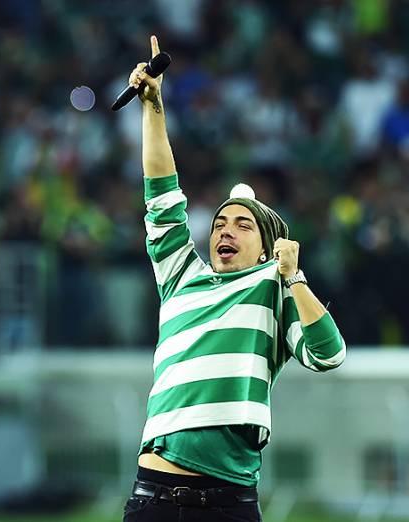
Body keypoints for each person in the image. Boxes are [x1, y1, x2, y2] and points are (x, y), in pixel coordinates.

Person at [122, 36, 347, 522]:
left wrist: (295, 279)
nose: (226, 230)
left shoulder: (274, 289)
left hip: (231, 502)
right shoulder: (181, 274)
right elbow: (161, 188)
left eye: (243, 225)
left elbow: (329, 355)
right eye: (220, 224)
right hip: (154, 497)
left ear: (266, 247)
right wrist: (154, 108)